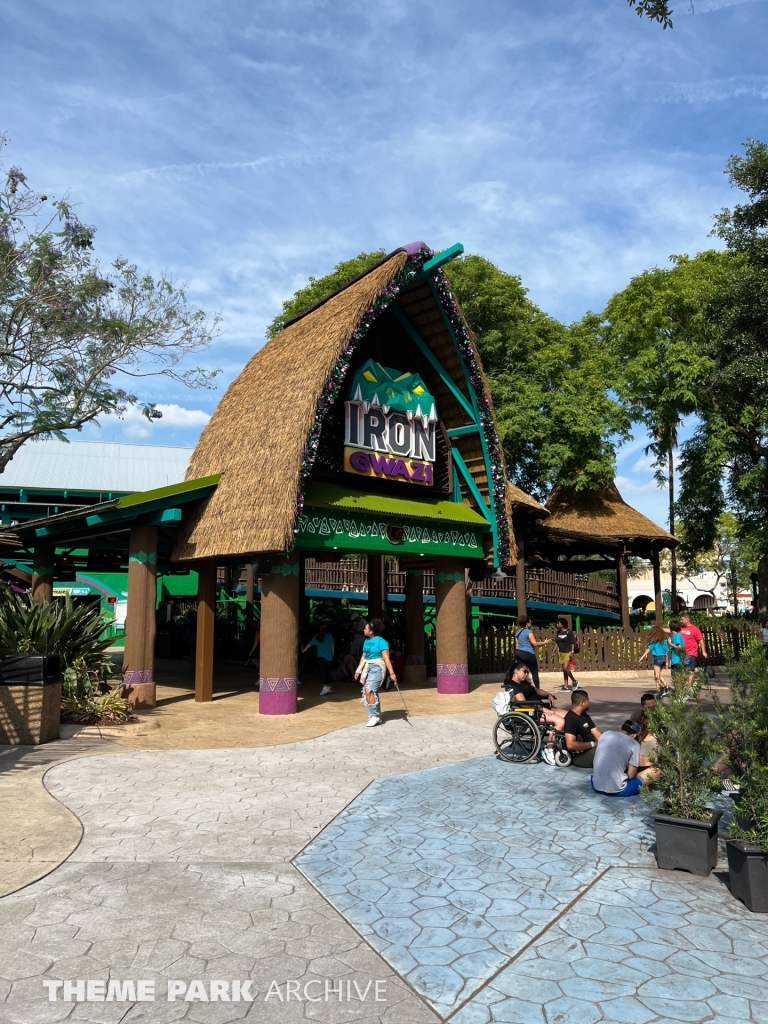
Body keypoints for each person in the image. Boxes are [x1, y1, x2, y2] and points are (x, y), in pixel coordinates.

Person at [591, 720, 657, 797]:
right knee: (656, 770)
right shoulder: (634, 744)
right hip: (618, 790)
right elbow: (631, 775)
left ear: (620, 729)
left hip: (596, 785)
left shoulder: (606, 734)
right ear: (634, 735)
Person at [354, 617, 397, 728]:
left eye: (366, 628)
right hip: (367, 668)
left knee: (369, 690)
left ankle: (374, 716)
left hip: (377, 667)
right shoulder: (366, 641)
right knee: (367, 691)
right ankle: (375, 715)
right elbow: (364, 656)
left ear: (371, 631)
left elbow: (386, 658)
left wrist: (392, 673)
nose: (364, 630)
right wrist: (358, 670)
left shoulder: (382, 642)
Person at [563, 689, 602, 768]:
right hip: (580, 756)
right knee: (604, 754)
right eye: (588, 701)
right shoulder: (570, 719)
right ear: (582, 703)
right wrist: (593, 744)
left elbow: (598, 735)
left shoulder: (584, 716)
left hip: (592, 750)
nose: (589, 703)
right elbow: (570, 745)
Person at [514, 615, 553, 689]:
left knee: (521, 670)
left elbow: (517, 645)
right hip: (528, 653)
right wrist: (545, 642)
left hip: (518, 652)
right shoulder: (528, 632)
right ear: (527, 623)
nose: (531, 623)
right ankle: (538, 689)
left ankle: (520, 687)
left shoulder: (517, 632)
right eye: (530, 621)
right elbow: (534, 643)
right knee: (534, 672)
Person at [302, 623, 335, 696]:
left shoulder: (316, 636)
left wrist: (304, 650)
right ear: (326, 628)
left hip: (321, 657)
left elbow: (310, 644)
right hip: (329, 657)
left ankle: (325, 687)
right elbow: (332, 646)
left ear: (319, 628)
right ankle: (327, 686)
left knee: (322, 672)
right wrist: (332, 654)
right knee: (327, 672)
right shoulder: (329, 635)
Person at [638, 624, 670, 689]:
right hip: (663, 658)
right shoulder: (664, 641)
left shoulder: (654, 641)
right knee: (657, 674)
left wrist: (642, 657)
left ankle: (659, 689)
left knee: (657, 675)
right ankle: (665, 686)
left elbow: (649, 649)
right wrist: (667, 662)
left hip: (657, 658)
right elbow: (667, 652)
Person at [679, 614, 708, 682]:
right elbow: (671, 630)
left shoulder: (695, 629)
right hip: (681, 653)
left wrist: (703, 651)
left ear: (687, 620)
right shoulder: (680, 628)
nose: (680, 621)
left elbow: (700, 640)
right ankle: (684, 685)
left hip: (691, 653)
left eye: (682, 620)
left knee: (690, 670)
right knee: (682, 670)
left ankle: (689, 686)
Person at [554, 617, 578, 692]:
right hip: (561, 653)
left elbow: (572, 642)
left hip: (568, 652)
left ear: (563, 624)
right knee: (564, 670)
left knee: (565, 668)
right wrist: (553, 652)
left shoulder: (569, 632)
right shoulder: (558, 633)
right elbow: (557, 643)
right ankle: (566, 686)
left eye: (558, 623)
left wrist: (572, 652)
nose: (557, 624)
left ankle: (574, 681)